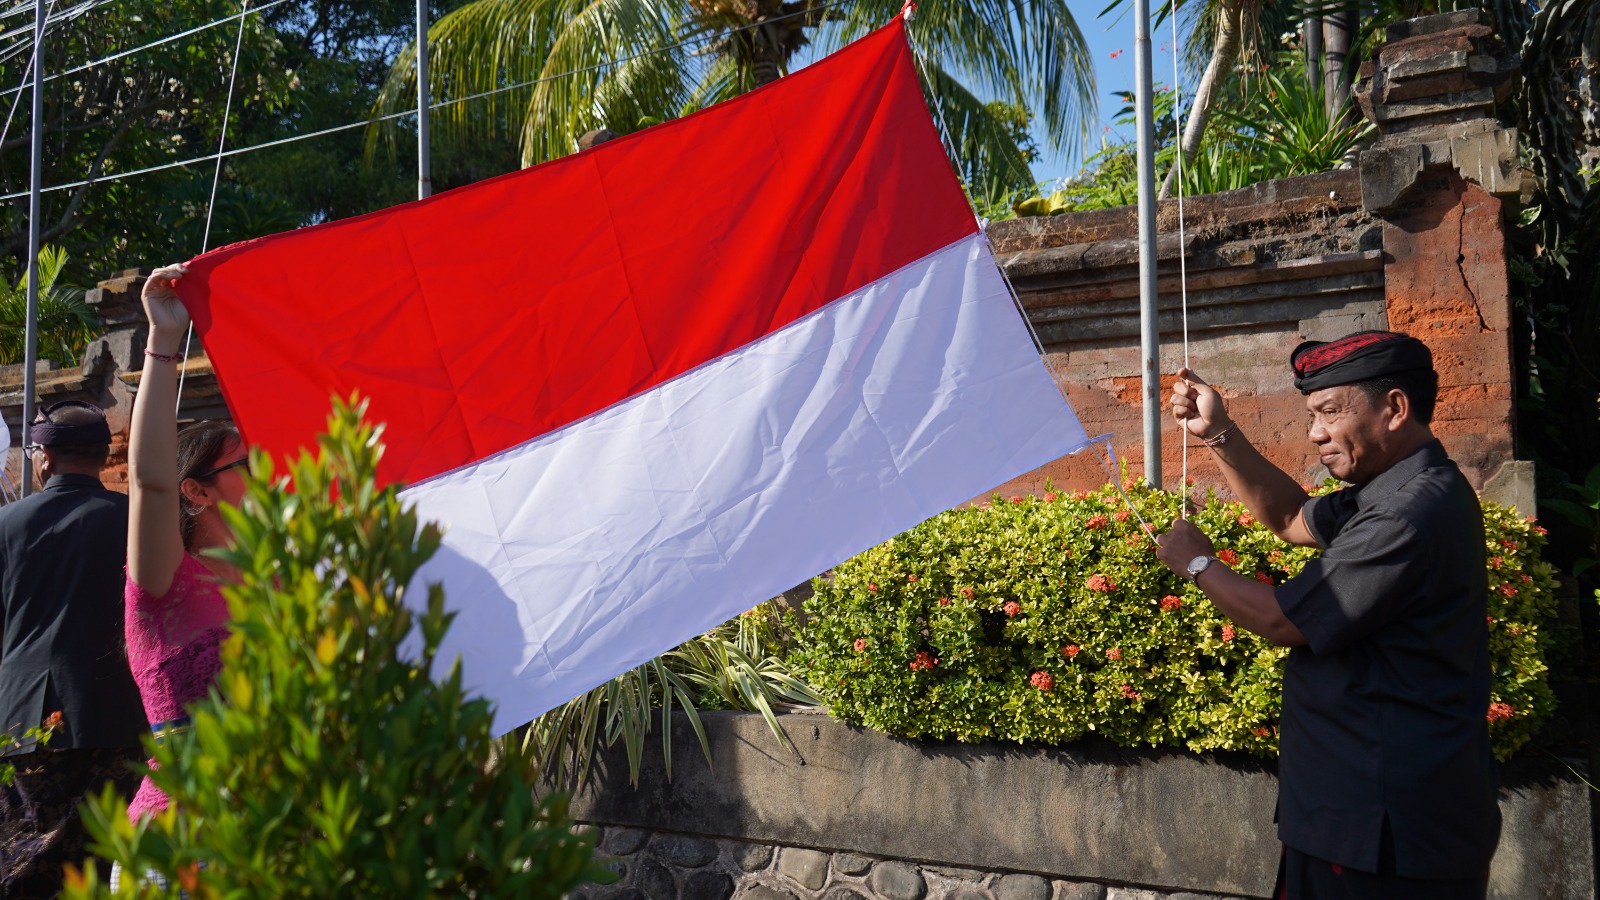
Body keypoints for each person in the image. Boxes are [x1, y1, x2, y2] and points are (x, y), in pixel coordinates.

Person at [1155, 330, 1500, 899]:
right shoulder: (1392, 489)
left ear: (1395, 408)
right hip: (1360, 815)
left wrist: (1197, 564)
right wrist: (1218, 433)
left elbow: (1283, 621)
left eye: (1330, 412)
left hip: (1383, 830)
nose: (1315, 433)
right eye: (1312, 413)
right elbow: (1292, 516)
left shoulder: (1407, 514)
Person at [0, 401, 147, 898]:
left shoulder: (8, 524)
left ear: (44, 457)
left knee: (23, 858)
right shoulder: (135, 520)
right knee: (106, 861)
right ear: (106, 456)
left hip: (24, 716)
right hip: (116, 713)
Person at [122, 263, 246, 827]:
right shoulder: (165, 583)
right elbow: (150, 480)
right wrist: (164, 340)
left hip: (276, 839)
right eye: (248, 464)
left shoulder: (282, 581)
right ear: (196, 489)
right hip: (179, 840)